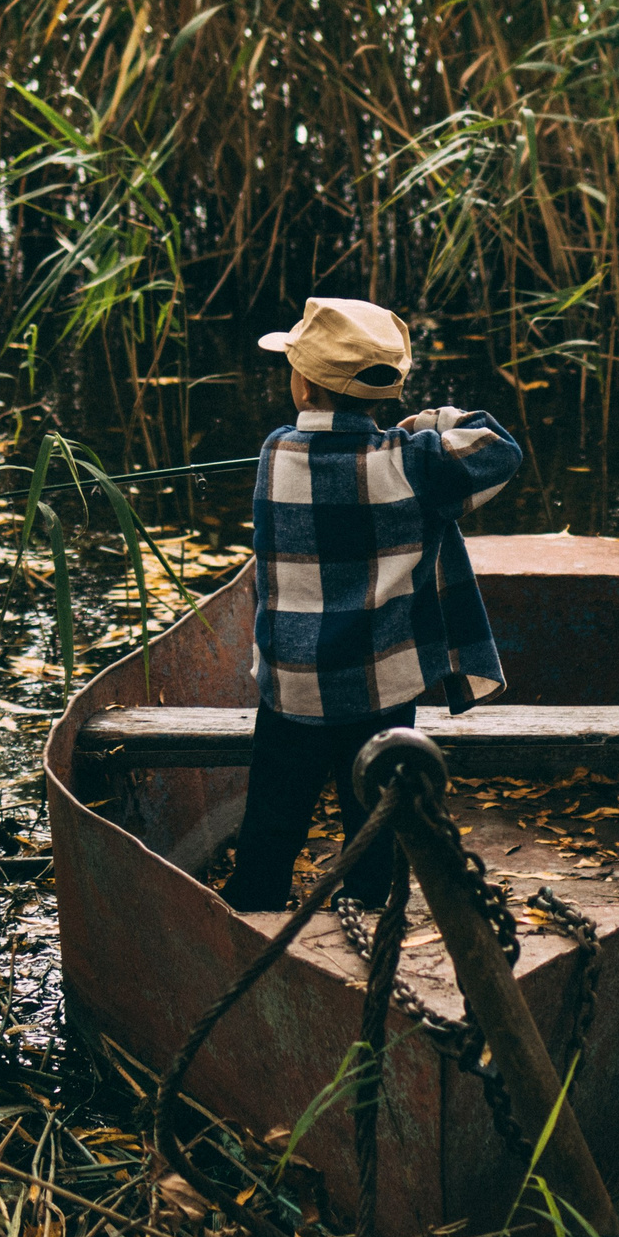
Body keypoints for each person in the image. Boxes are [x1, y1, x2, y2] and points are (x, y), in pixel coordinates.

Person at [223, 297, 524, 914]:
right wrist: (429, 423)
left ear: (303, 385)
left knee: (271, 823)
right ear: (387, 392)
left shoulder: (274, 452)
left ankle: (254, 907)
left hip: (291, 690)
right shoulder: (415, 462)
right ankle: (369, 910)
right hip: (381, 692)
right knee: (376, 826)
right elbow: (500, 450)